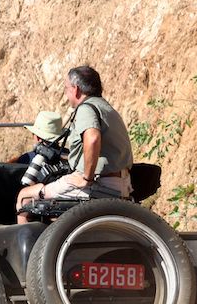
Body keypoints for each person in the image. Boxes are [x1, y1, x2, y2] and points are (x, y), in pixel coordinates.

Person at [16, 66, 133, 224]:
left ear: (76, 89)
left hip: (98, 184)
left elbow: (92, 138)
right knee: (54, 213)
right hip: (121, 182)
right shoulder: (106, 108)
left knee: (25, 197)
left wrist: (86, 177)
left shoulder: (86, 108)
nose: (66, 94)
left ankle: (34, 249)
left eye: (66, 88)